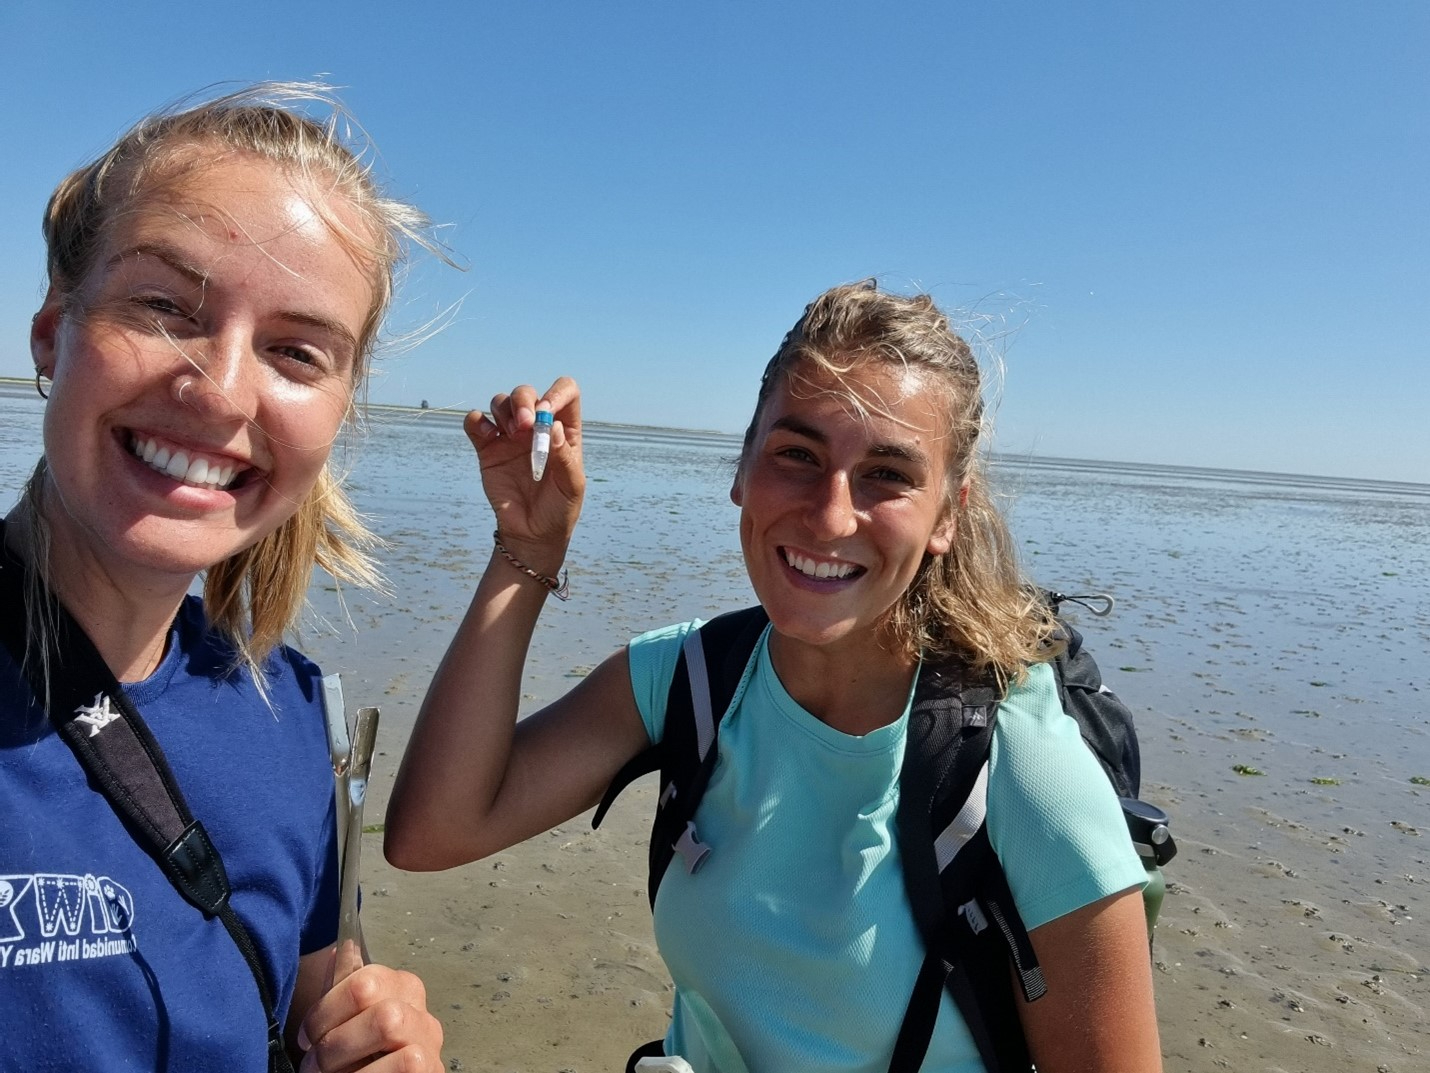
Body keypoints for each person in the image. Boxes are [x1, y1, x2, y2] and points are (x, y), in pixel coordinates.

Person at [385, 282, 1163, 1072]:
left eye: (887, 474)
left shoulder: (1019, 767)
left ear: (947, 516)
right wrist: (528, 547)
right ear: (742, 467)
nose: (830, 515)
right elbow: (433, 832)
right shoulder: (692, 678)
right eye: (798, 454)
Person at [0, 84, 444, 1071]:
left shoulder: (290, 713)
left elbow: (312, 996)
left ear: (336, 410)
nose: (222, 385)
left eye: (295, 351)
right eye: (164, 306)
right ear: (52, 328)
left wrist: (371, 1037)